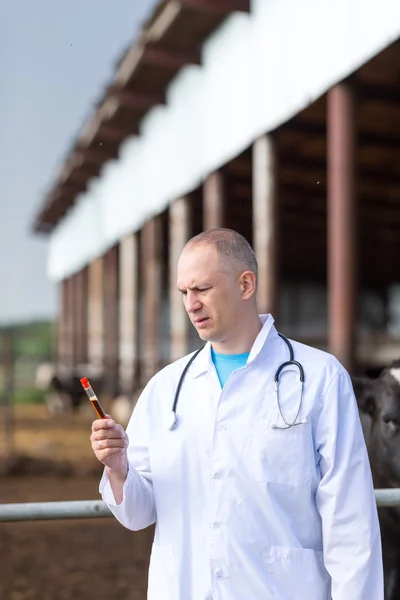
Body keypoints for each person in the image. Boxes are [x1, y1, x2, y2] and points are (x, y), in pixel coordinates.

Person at [90, 228, 383, 600]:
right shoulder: (166, 389)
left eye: (202, 289)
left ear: (245, 284)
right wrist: (118, 468)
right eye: (184, 292)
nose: (190, 304)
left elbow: (350, 522)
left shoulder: (320, 378)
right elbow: (137, 514)